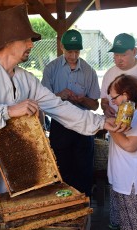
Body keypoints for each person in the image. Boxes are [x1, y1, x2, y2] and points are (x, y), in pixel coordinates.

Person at [0, 4, 127, 230]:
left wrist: (100, 122)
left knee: (8, 227)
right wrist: (8, 111)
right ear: (10, 40)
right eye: (28, 40)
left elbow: (60, 108)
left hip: (7, 170)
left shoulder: (25, 79)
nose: (31, 45)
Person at [41, 29, 100, 197]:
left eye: (76, 51)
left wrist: (82, 100)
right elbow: (43, 102)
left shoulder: (89, 71)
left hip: (83, 127)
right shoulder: (51, 69)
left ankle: (84, 207)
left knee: (84, 171)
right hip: (60, 126)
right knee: (61, 170)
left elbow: (95, 105)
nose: (73, 55)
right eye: (69, 51)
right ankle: (65, 209)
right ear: (61, 47)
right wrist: (60, 95)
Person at [100, 33, 137, 230]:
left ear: (134, 51)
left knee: (132, 194)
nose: (118, 59)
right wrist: (107, 108)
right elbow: (105, 100)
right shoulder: (110, 72)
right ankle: (120, 225)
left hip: (131, 148)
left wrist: (110, 125)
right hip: (118, 140)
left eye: (122, 55)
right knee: (117, 180)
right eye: (115, 55)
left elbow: (130, 145)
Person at [107, 74, 137, 230]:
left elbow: (130, 145)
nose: (112, 102)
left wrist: (110, 126)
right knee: (128, 229)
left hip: (131, 182)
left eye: (114, 98)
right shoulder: (128, 113)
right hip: (124, 179)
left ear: (126, 95)